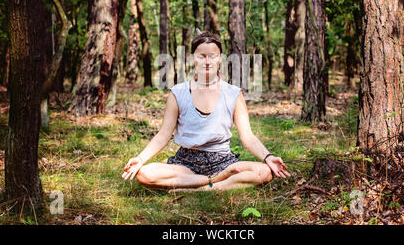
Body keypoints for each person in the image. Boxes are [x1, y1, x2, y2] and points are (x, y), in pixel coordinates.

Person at [122, 31, 291, 192]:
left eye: (213, 56)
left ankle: (201, 189)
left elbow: (247, 137)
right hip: (185, 164)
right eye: (201, 56)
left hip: (223, 161)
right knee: (145, 174)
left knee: (265, 172)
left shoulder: (233, 93)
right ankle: (214, 181)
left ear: (220, 59)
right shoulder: (178, 92)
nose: (207, 61)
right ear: (192, 58)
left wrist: (268, 157)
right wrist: (140, 158)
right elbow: (163, 135)